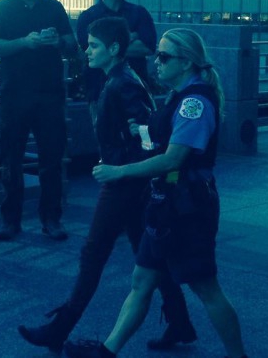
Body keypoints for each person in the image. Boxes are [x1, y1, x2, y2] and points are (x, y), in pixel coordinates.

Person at [63, 29, 248, 358]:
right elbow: (168, 138)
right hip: (167, 206)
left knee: (206, 288)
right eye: (157, 55)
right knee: (142, 281)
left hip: (187, 209)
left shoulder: (194, 102)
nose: (155, 62)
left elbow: (174, 159)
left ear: (186, 62)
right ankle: (107, 351)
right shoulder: (179, 95)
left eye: (164, 57)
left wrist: (119, 171)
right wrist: (145, 131)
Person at [18, 17, 196, 353]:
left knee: (94, 254)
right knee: (148, 254)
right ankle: (180, 321)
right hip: (130, 181)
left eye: (94, 45)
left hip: (123, 184)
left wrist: (120, 170)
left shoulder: (122, 83)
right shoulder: (119, 79)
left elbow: (147, 136)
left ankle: (59, 329)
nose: (87, 51)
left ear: (113, 49)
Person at [0, 0, 78, 242]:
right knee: (11, 159)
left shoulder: (54, 7)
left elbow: (73, 45)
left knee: (51, 159)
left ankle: (51, 218)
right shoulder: (2, 7)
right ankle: (10, 220)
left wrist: (57, 41)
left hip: (49, 95)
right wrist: (25, 43)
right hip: (14, 95)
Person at [77, 0, 157, 121]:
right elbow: (90, 52)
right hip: (99, 91)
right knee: (105, 135)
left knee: (139, 134)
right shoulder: (88, 17)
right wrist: (130, 38)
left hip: (135, 93)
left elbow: (148, 47)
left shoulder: (139, 13)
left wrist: (107, 46)